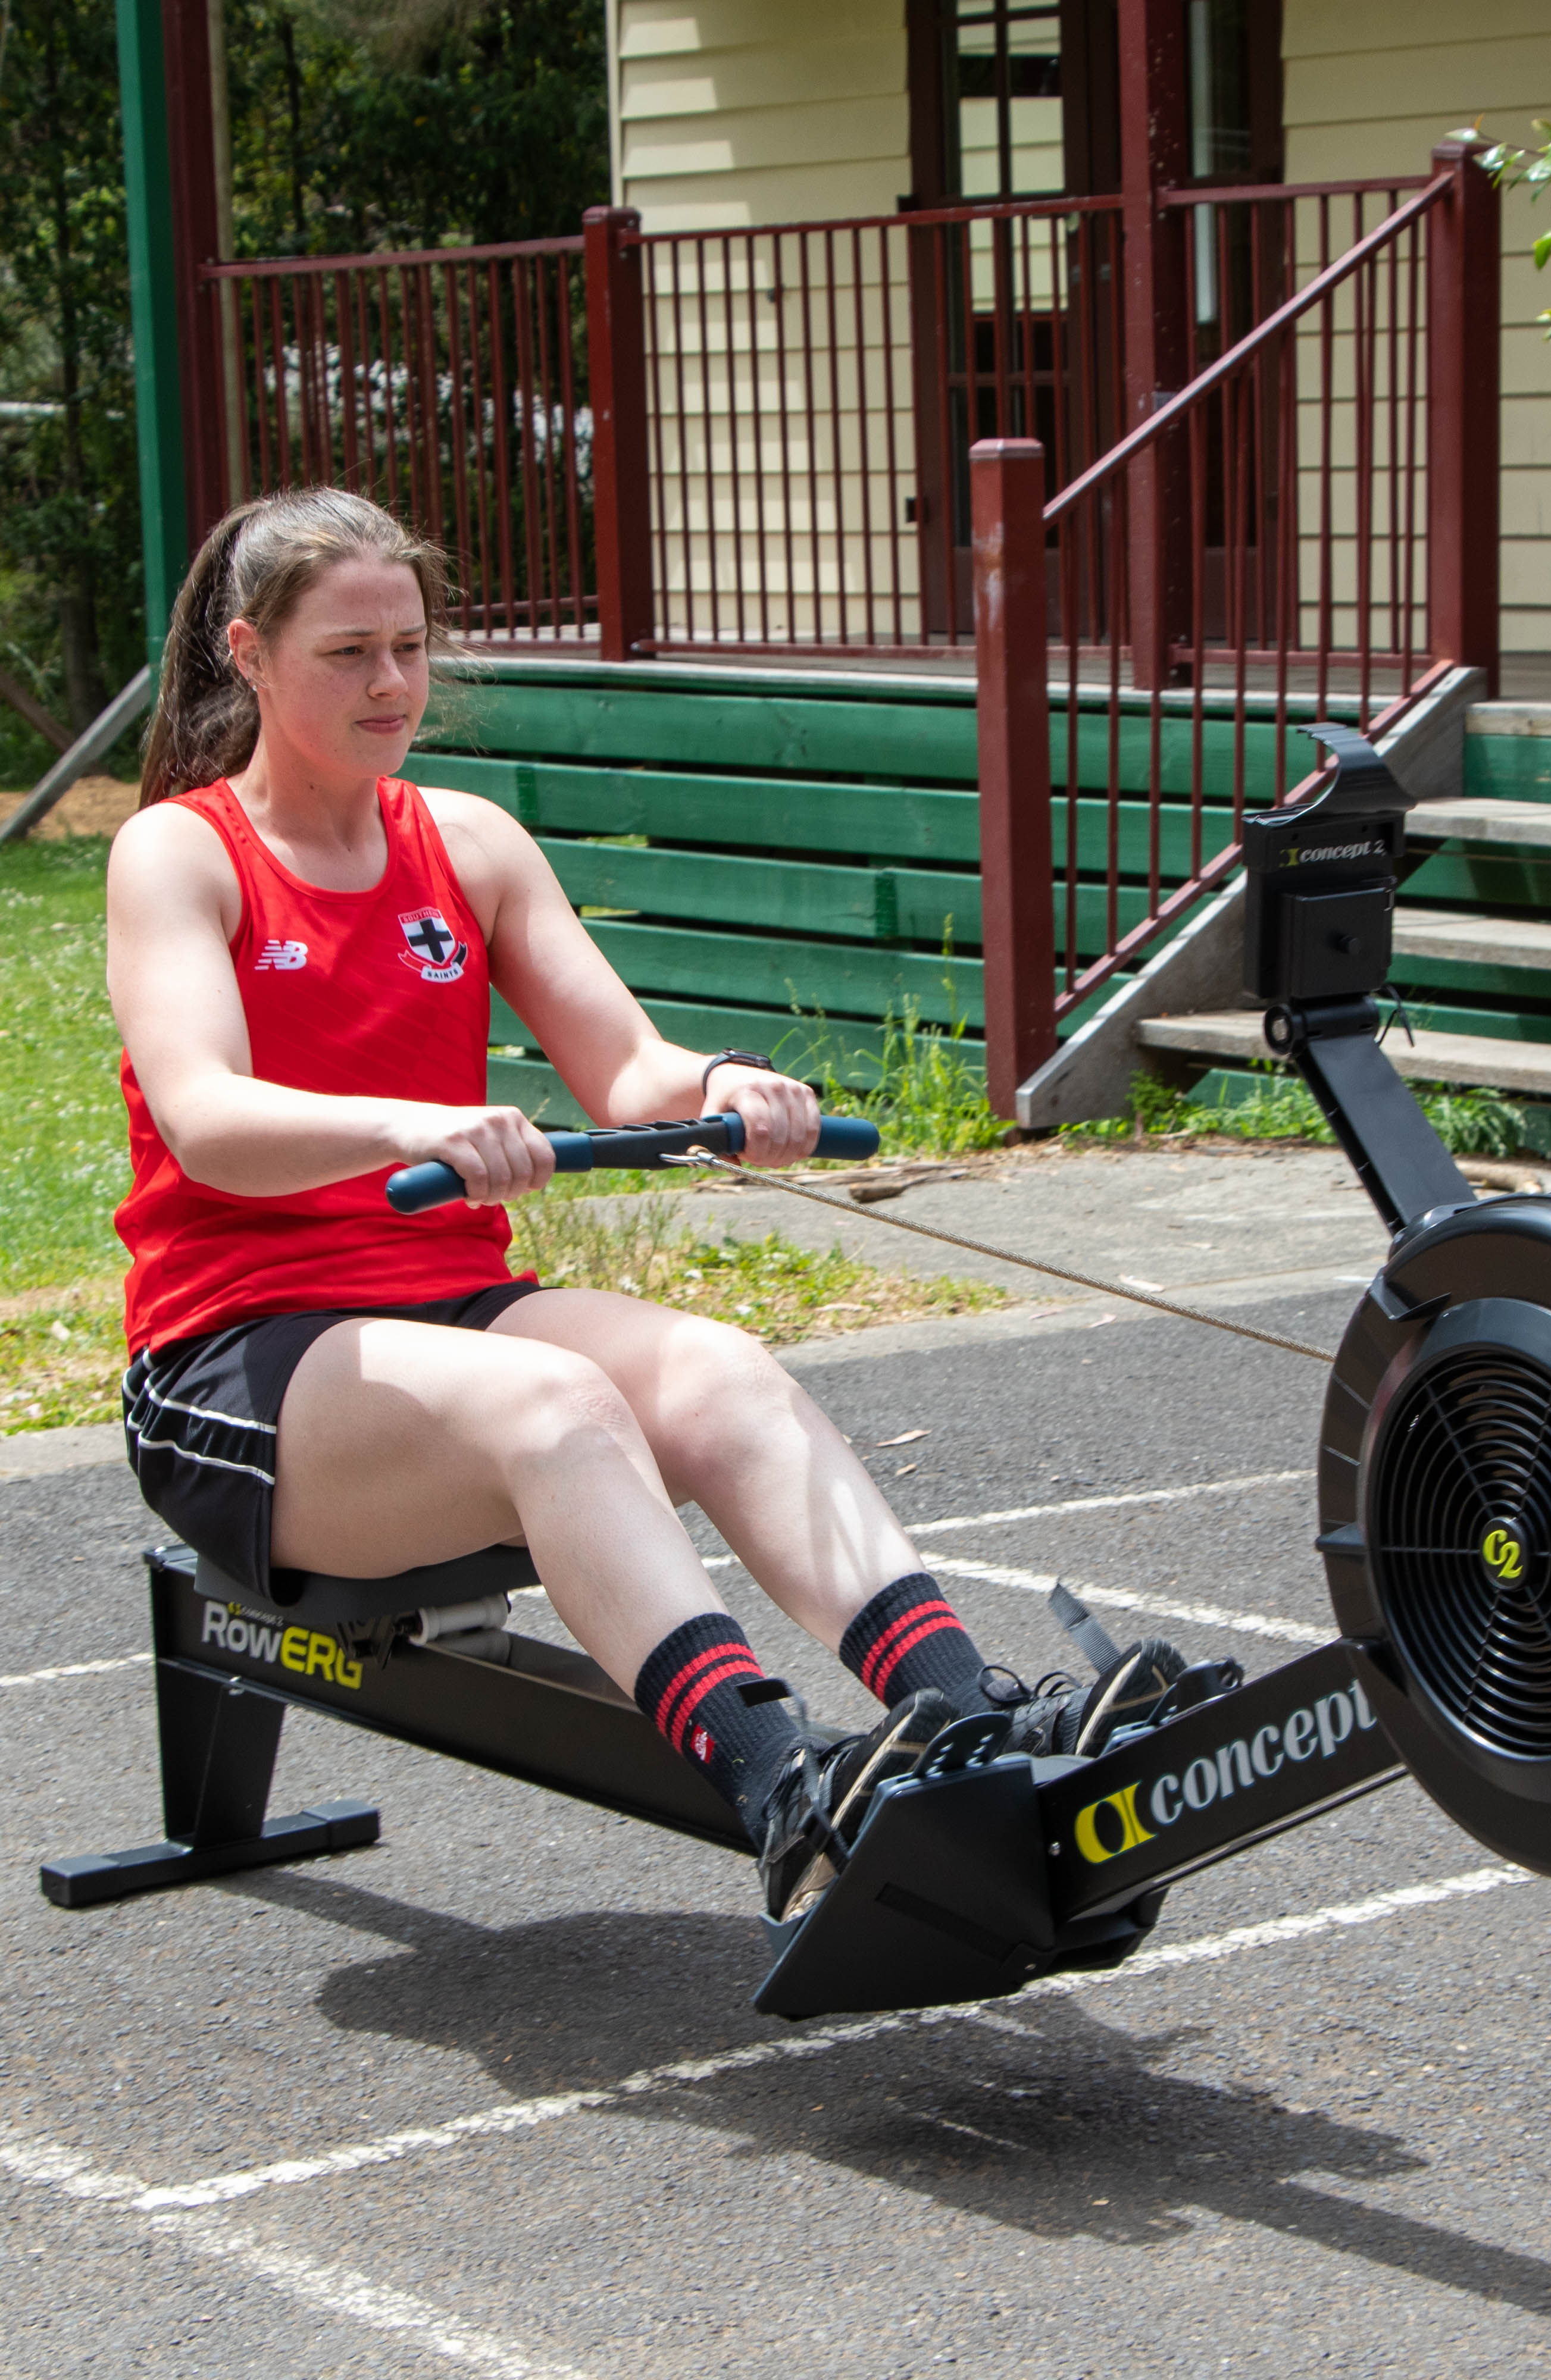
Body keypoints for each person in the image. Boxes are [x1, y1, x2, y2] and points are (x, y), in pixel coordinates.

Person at [107, 488, 1189, 1925]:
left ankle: (970, 1715)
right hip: (235, 1357)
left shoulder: (469, 843)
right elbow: (207, 1121)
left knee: (716, 1368)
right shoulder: (182, 854)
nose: (391, 685)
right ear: (247, 653)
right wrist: (414, 1123)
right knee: (556, 1408)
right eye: (348, 653)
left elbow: (624, 1068)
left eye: (411, 648)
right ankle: (783, 1787)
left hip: (439, 1305)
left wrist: (728, 1080)